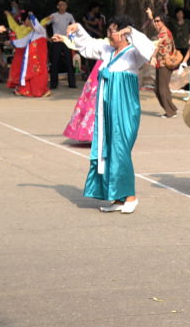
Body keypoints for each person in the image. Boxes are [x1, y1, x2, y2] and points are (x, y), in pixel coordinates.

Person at [54, 16, 155, 214]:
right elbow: (88, 45)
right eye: (109, 30)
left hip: (124, 105)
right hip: (106, 104)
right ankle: (117, 196)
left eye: (114, 31)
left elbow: (149, 50)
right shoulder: (107, 50)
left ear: (124, 33)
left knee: (121, 147)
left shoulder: (134, 53)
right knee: (106, 147)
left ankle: (131, 196)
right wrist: (78, 29)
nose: (110, 34)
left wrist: (132, 32)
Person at [5, 10, 50, 97]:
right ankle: (32, 90)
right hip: (33, 58)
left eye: (25, 20)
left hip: (39, 58)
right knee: (31, 73)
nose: (24, 22)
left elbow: (37, 26)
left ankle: (42, 90)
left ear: (29, 21)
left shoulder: (41, 31)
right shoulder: (32, 33)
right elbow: (22, 42)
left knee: (39, 73)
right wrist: (11, 42)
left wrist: (32, 17)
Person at [147, 8, 179, 118]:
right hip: (161, 63)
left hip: (164, 63)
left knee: (161, 88)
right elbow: (156, 29)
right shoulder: (162, 30)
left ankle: (170, 112)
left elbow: (157, 45)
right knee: (159, 87)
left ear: (163, 22)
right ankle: (172, 108)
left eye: (158, 21)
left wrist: (152, 57)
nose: (156, 23)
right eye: (155, 21)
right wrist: (151, 17)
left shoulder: (164, 32)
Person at [47, 0, 77, 90]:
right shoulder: (53, 16)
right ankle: (53, 84)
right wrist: (48, 37)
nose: (62, 6)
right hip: (56, 40)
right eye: (60, 5)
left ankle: (72, 83)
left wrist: (72, 38)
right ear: (57, 6)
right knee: (55, 62)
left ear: (66, 6)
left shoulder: (69, 16)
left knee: (69, 61)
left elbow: (74, 26)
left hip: (66, 40)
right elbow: (44, 24)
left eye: (63, 5)